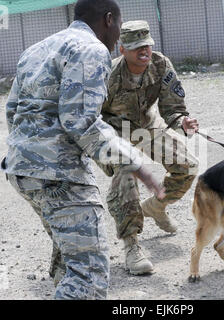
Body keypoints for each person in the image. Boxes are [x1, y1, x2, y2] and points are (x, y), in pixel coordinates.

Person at [1, 1, 164, 300]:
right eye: (118, 26)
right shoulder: (90, 50)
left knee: (69, 253)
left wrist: (28, 155)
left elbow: (12, 111)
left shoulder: (37, 49)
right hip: (60, 176)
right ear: (109, 19)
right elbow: (82, 122)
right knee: (87, 276)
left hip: (22, 170)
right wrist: (135, 162)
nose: (118, 37)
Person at [101, 20, 199, 275]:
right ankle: (131, 244)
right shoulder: (108, 75)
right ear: (121, 49)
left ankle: (155, 207)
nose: (144, 52)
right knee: (125, 173)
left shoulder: (160, 64)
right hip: (114, 131)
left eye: (146, 45)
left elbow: (173, 108)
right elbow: (91, 116)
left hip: (147, 125)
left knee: (187, 166)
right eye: (136, 47)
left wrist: (182, 122)